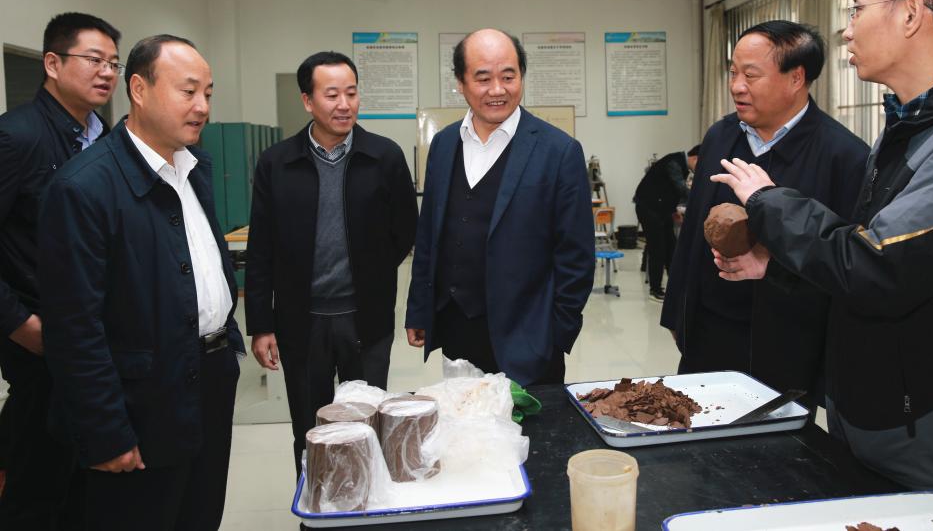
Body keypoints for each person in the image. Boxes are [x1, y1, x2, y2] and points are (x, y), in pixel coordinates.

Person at [711, 0, 933, 517]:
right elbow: (882, 260)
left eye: (857, 8)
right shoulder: (914, 124)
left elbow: (879, 267)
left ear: (911, 13)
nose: (847, 28)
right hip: (883, 426)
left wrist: (769, 201)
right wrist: (776, 267)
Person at [37, 35, 245, 531]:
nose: (202, 107)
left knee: (199, 514)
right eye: (188, 91)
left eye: (208, 94)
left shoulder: (192, 169)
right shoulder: (84, 188)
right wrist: (105, 431)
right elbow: (74, 328)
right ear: (139, 89)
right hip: (141, 402)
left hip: (208, 381)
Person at [660, 20, 868, 404]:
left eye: (751, 75)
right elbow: (691, 233)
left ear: (796, 78)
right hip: (710, 332)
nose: (737, 86)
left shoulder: (844, 156)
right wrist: (677, 314)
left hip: (789, 341)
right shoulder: (721, 136)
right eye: (733, 72)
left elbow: (846, 263)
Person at [245, 50, 417, 474]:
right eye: (332, 94)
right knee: (310, 430)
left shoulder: (384, 157)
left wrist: (371, 271)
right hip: (301, 323)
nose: (344, 104)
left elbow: (406, 231)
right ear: (308, 100)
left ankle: (368, 500)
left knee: (367, 426)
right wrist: (261, 324)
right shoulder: (276, 163)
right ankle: (317, 500)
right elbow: (261, 247)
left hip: (366, 320)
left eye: (352, 93)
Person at [405, 28, 594, 385]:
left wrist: (555, 334)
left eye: (509, 76)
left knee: (531, 423)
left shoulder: (559, 151)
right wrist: (420, 309)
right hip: (456, 327)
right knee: (464, 416)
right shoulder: (444, 145)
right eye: (483, 78)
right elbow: (429, 234)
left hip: (529, 339)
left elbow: (577, 256)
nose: (497, 89)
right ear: (460, 83)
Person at [0, 12, 121, 528]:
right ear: (52, 63)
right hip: (41, 340)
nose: (107, 72)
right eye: (94, 60)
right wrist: (19, 324)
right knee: (40, 481)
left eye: (113, 63)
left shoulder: (103, 137)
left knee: (88, 480)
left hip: (94, 337)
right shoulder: (17, 136)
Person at [634, 151, 690, 300]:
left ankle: (675, 288)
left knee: (671, 248)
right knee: (657, 249)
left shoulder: (678, 162)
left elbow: (667, 190)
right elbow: (680, 188)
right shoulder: (674, 163)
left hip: (662, 210)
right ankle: (655, 290)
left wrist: (673, 211)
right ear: (695, 158)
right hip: (649, 209)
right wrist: (699, 198)